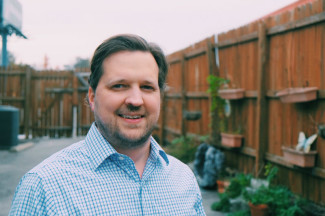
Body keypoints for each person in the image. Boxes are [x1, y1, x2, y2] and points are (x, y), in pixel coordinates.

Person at [9, 34, 206, 215]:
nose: (136, 100)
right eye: (119, 86)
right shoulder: (43, 187)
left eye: (147, 87)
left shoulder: (183, 179)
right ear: (92, 97)